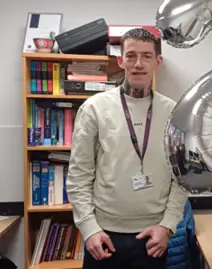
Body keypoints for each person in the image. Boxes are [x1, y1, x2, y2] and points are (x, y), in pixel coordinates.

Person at [66, 28, 188, 269]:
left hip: (153, 238)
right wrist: (89, 229)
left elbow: (181, 177)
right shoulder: (94, 109)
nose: (138, 64)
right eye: (131, 56)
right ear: (120, 60)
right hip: (104, 237)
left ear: (157, 61)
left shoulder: (175, 113)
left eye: (146, 56)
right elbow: (78, 176)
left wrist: (167, 226)